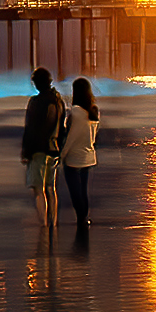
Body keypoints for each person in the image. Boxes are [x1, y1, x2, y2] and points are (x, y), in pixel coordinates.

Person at [20, 67, 65, 228]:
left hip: (39, 150)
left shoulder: (35, 102)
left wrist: (26, 151)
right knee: (51, 189)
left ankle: (44, 224)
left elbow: (30, 129)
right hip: (54, 149)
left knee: (39, 190)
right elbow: (62, 128)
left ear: (37, 83)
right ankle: (53, 222)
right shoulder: (59, 101)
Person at [60, 77, 100, 226]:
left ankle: (81, 219)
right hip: (88, 156)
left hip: (74, 158)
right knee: (83, 190)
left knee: (75, 191)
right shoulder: (93, 110)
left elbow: (70, 137)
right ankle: (83, 218)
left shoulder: (75, 112)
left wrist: (62, 155)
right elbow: (93, 137)